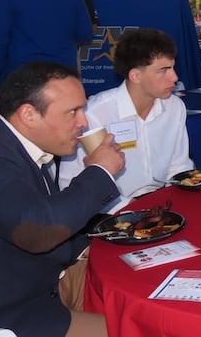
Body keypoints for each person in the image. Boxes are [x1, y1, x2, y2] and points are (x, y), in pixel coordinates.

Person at [0, 61, 125, 337]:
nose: (83, 122)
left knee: (134, 276)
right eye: (72, 112)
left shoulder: (15, 144)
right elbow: (38, 230)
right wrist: (99, 173)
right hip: (13, 319)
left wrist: (122, 227)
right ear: (28, 115)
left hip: (40, 282)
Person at [59, 29, 193, 211]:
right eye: (163, 70)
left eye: (173, 68)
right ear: (135, 76)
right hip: (110, 211)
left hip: (163, 204)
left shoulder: (174, 107)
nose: (175, 77)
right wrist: (127, 208)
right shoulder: (94, 114)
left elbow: (179, 166)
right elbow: (70, 182)